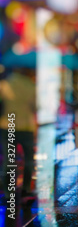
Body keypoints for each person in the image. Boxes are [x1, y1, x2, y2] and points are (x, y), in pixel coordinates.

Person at [0, 69, 37, 200]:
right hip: (26, 126)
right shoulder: (31, 86)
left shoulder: (4, 85)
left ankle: (9, 192)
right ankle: (26, 189)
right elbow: (36, 106)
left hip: (8, 125)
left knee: (9, 160)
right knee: (28, 160)